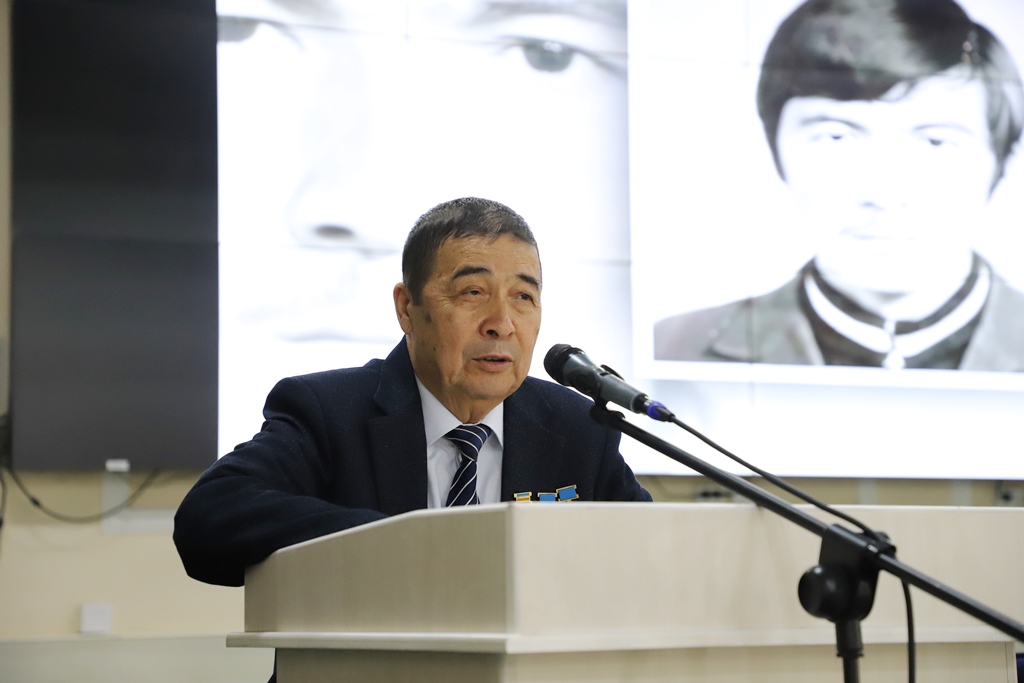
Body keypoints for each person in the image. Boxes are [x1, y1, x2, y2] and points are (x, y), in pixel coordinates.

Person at [174, 197, 651, 590]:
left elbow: (653, 558)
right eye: (472, 292)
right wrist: (413, 543)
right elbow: (209, 516)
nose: (502, 324)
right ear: (407, 308)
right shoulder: (330, 412)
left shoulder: (577, 427)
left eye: (523, 297)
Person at [654, 0, 1024, 371]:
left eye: (935, 142)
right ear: (776, 150)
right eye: (837, 138)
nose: (885, 194)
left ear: (1000, 160)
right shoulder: (674, 345)